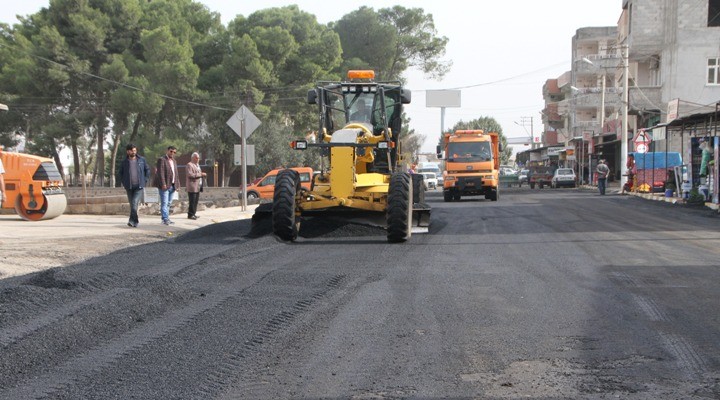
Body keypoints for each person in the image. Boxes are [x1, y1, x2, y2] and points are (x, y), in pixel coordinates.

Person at [118, 143, 151, 227]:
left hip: (139, 186)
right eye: (132, 151)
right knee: (132, 204)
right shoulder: (125, 162)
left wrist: (145, 180)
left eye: (135, 150)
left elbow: (147, 170)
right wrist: (124, 182)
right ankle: (134, 221)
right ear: (128, 151)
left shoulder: (141, 160)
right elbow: (120, 173)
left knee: (134, 202)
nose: (134, 152)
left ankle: (133, 221)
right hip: (129, 186)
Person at [154, 146, 181, 225]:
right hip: (165, 186)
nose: (172, 153)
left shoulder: (174, 161)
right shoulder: (162, 160)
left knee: (169, 203)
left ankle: (167, 218)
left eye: (174, 152)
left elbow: (176, 174)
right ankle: (165, 219)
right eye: (171, 151)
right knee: (164, 202)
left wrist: (178, 185)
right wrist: (163, 184)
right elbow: (160, 173)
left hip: (172, 185)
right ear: (167, 151)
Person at [185, 152, 207, 220]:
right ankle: (190, 215)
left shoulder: (197, 165)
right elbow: (190, 175)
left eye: (198, 158)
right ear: (193, 158)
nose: (198, 159)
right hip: (192, 186)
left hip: (198, 186)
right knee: (192, 201)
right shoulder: (189, 165)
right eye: (196, 158)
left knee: (196, 201)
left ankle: (193, 213)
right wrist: (201, 174)